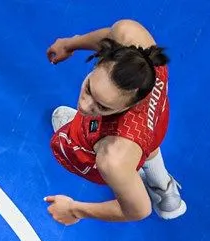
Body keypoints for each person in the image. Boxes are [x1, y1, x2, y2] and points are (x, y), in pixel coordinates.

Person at [45, 19, 185, 224]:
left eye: (102, 107)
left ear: (130, 106)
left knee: (116, 167)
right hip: (156, 122)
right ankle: (165, 191)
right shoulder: (132, 35)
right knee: (148, 145)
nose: (84, 106)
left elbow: (138, 210)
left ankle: (87, 140)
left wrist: (75, 210)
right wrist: (70, 43)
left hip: (122, 144)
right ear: (101, 60)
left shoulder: (113, 158)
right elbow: (109, 38)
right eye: (89, 89)